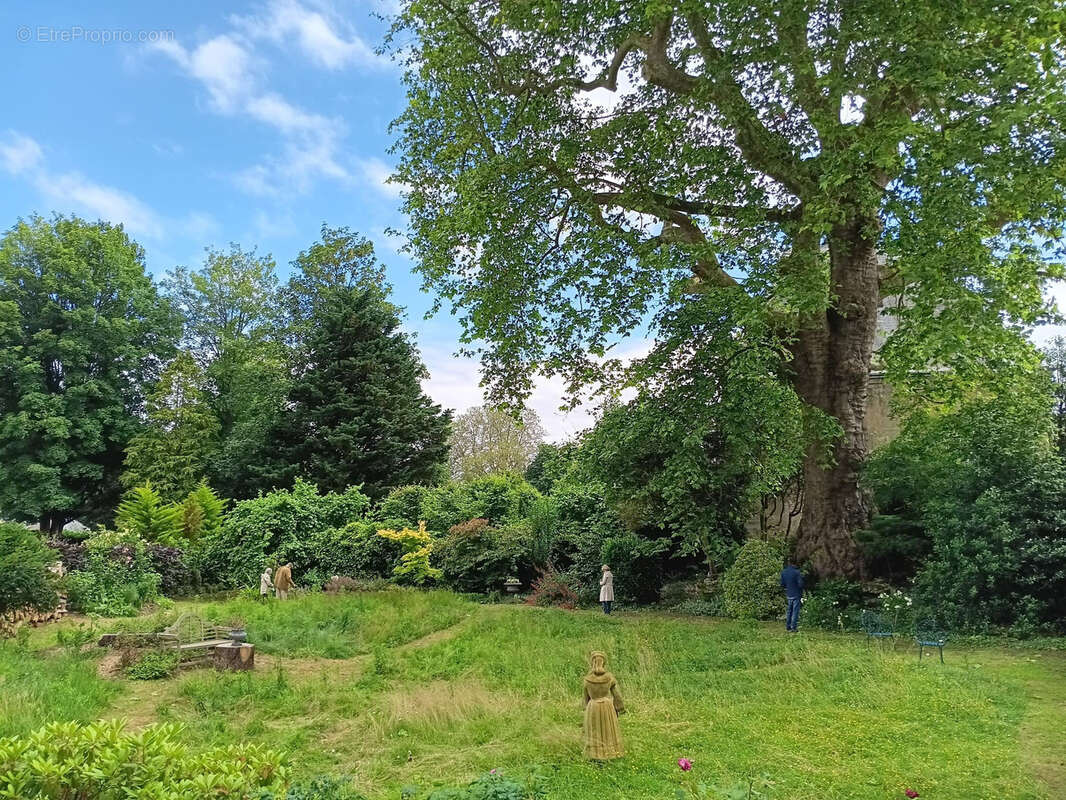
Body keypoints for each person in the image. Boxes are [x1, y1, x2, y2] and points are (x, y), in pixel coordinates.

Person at [582, 651, 625, 760]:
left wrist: (586, 709)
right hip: (607, 706)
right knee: (608, 729)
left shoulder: (587, 680)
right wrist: (620, 707)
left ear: (592, 662)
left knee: (595, 729)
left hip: (593, 706)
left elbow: (586, 698)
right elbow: (617, 695)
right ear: (604, 662)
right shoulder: (609, 678)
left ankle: (595, 754)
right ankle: (610, 753)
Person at [780, 560, 804, 632]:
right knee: (795, 611)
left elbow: (782, 584)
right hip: (796, 594)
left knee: (789, 611)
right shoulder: (797, 572)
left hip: (788, 593)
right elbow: (800, 584)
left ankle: (788, 626)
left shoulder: (783, 572)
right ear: (794, 564)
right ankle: (793, 627)